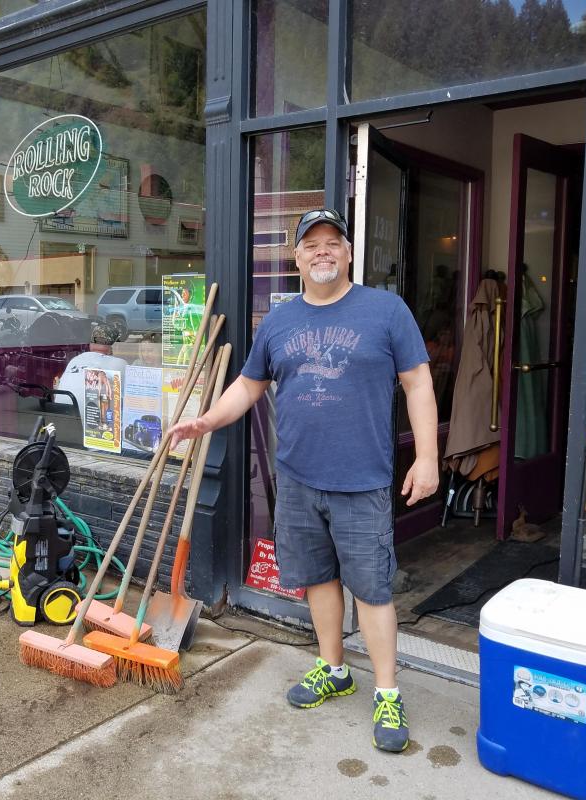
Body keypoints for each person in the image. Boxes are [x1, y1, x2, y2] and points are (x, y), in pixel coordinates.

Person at [168, 208, 438, 753]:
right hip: (297, 478)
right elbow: (249, 385)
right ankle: (333, 669)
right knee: (316, 579)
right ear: (296, 258)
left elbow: (418, 384)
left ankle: (387, 692)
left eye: (332, 242)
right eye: (311, 245)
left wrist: (428, 457)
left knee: (372, 590)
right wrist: (207, 420)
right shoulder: (280, 321)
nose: (322, 252)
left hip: (361, 480)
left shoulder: (386, 311)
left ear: (348, 253)